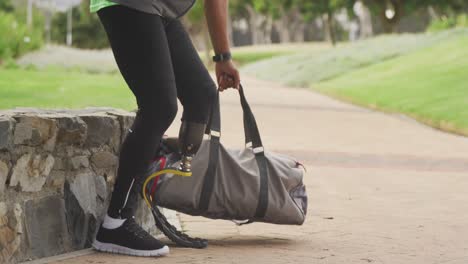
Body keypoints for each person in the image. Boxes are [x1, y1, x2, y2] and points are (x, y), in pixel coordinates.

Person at [89, 0, 240, 257]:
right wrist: (223, 55)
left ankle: (153, 185)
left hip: (160, 9)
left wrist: (223, 57)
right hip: (131, 5)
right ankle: (116, 222)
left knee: (201, 94)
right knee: (158, 106)